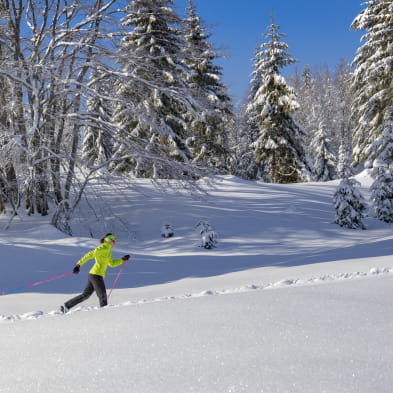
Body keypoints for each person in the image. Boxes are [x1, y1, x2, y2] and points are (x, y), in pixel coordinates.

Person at [61, 233, 130, 313]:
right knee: (102, 295)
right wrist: (78, 265)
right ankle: (104, 314)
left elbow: (111, 264)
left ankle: (67, 306)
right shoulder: (100, 249)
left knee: (86, 295)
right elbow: (88, 255)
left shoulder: (108, 252)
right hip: (96, 275)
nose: (115, 242)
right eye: (113, 240)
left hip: (94, 275)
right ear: (109, 240)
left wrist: (122, 259)